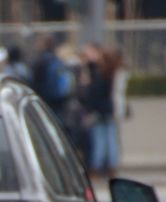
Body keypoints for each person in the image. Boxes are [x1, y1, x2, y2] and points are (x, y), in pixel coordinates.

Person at [79, 44, 119, 178]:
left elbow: (94, 94)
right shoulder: (111, 72)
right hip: (108, 110)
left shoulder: (100, 74)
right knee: (111, 139)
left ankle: (96, 167)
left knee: (100, 140)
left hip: (100, 111)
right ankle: (111, 166)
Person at [30, 34, 73, 120]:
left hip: (45, 101)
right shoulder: (57, 61)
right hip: (59, 101)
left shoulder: (40, 62)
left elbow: (34, 84)